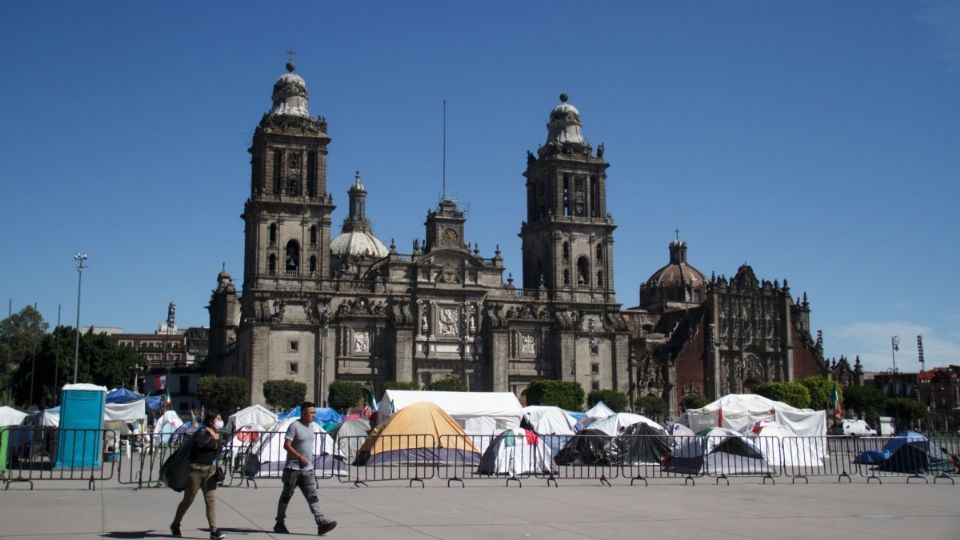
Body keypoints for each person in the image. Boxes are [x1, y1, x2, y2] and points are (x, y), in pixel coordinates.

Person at [274, 402, 337, 535]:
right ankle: (279, 523)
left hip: (307, 469)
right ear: (303, 413)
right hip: (293, 469)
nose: (314, 415)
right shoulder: (294, 426)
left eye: (314, 413)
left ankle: (321, 522)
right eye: (311, 413)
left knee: (312, 496)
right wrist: (298, 457)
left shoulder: (311, 427)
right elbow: (287, 445)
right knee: (286, 496)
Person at [171, 411, 226, 540]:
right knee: (188, 500)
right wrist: (211, 437)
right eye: (218, 419)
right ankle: (175, 524)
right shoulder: (201, 433)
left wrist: (215, 439)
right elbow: (200, 445)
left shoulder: (217, 435)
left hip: (210, 471)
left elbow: (219, 448)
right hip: (195, 470)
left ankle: (213, 530)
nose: (220, 421)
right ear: (211, 422)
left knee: (211, 501)